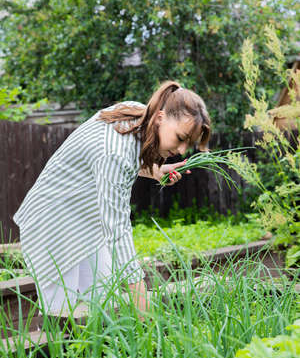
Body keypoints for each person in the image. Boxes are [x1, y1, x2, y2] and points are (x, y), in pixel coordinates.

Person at [13, 81, 211, 315]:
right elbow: (117, 231)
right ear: (160, 117)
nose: (182, 150)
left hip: (85, 223)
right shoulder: (115, 152)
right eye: (181, 138)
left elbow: (101, 165)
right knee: (63, 318)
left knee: (103, 307)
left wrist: (153, 170)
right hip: (51, 224)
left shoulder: (136, 113)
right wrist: (143, 305)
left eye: (189, 143)